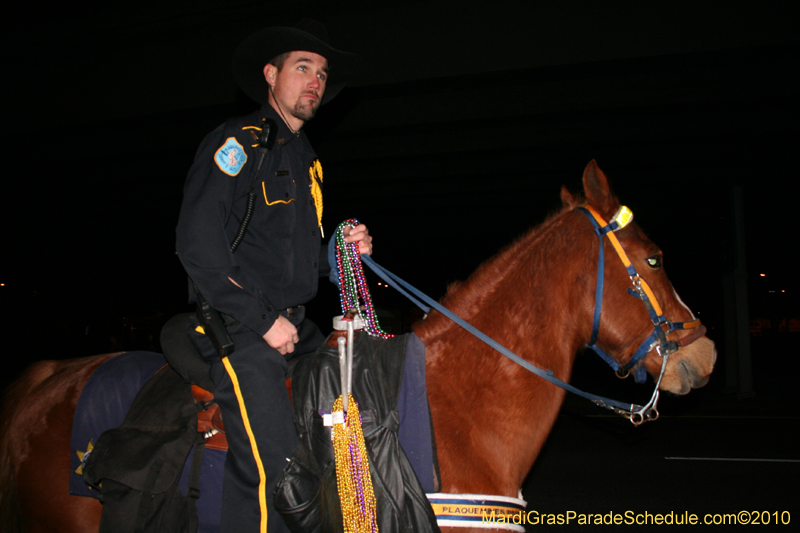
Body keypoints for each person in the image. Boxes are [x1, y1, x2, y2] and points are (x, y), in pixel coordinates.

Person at [175, 20, 371, 533]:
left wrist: (343, 253)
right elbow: (197, 245)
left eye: (322, 74)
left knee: (358, 413)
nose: (315, 82)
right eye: (302, 68)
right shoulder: (240, 144)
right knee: (278, 473)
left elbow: (293, 259)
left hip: (294, 326)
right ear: (270, 75)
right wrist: (263, 322)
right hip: (239, 326)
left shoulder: (309, 164)